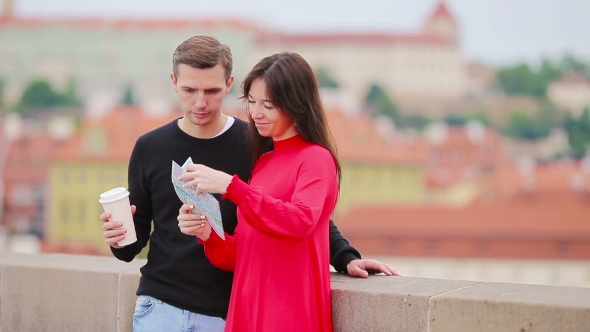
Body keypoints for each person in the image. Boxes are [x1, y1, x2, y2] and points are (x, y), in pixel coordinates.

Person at [99, 36, 398, 332]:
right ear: (174, 82)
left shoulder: (257, 145)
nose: (200, 102)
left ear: (229, 85)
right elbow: (134, 244)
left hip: (230, 310)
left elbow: (305, 214)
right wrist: (120, 238)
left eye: (212, 91)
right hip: (163, 306)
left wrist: (345, 256)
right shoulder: (150, 146)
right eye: (189, 90)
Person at [177, 51, 340, 331]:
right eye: (252, 102)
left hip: (289, 315)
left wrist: (231, 186)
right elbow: (244, 254)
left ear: (296, 105)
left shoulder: (316, 159)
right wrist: (206, 232)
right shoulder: (264, 162)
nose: (256, 113)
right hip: (247, 312)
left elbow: (299, 221)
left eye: (269, 105)